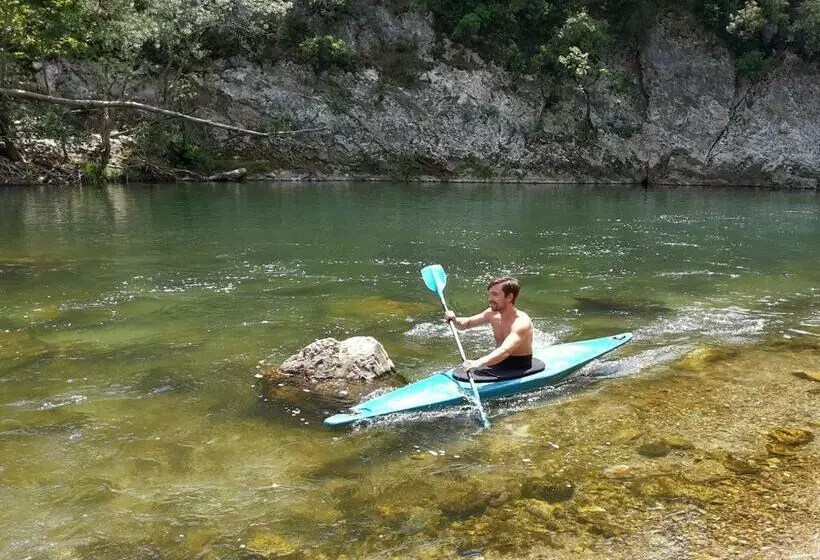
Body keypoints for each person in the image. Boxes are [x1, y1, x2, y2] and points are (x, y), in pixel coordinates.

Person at [444, 276, 535, 379]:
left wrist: (478, 362)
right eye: (489, 294)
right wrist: (454, 319)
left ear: (509, 297)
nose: (490, 299)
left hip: (518, 366)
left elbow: (505, 351)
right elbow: (467, 323)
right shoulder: (492, 313)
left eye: (495, 294)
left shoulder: (521, 322)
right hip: (498, 361)